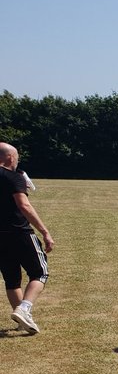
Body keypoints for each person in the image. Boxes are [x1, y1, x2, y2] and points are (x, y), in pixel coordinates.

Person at [0, 143, 55, 334]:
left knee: (12, 279)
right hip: (19, 232)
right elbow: (24, 205)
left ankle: (22, 320)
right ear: (10, 158)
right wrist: (44, 231)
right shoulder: (13, 176)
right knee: (40, 273)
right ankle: (24, 309)